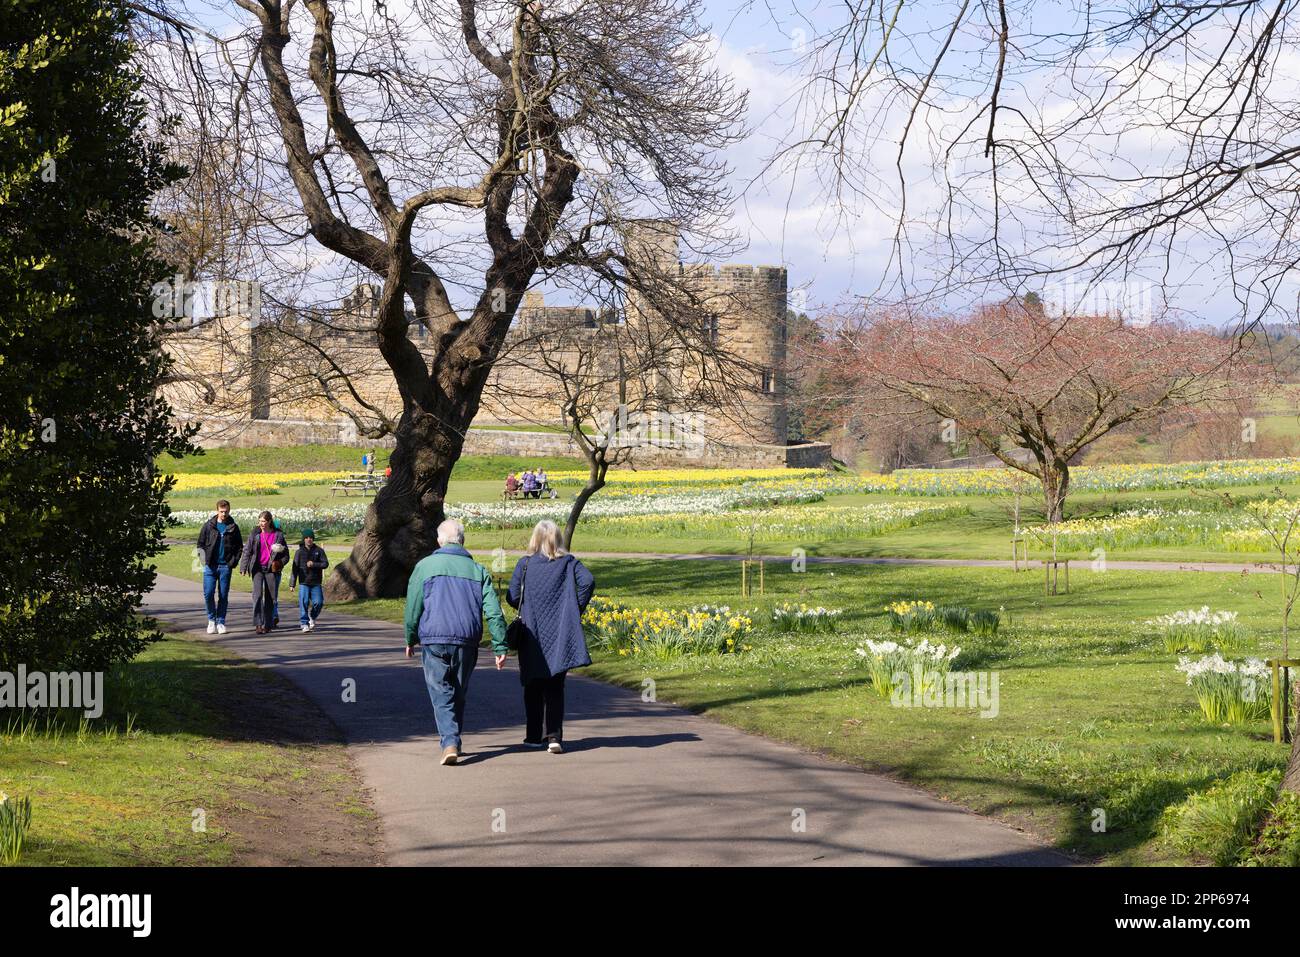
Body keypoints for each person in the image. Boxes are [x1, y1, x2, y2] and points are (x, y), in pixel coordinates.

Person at [404, 519, 508, 766]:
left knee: (440, 689)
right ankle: (453, 738)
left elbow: (413, 606)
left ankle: (450, 740)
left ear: (439, 541)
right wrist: (500, 645)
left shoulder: (425, 566)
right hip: (466, 639)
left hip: (434, 637)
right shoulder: (478, 570)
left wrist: (410, 637)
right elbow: (494, 611)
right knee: (458, 691)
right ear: (462, 541)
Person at [507, 519, 595, 753]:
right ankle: (554, 736)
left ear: (535, 539)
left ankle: (534, 735)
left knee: (532, 685)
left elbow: (512, 595)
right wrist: (574, 607)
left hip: (532, 632)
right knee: (555, 686)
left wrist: (525, 604)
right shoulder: (569, 563)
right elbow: (588, 581)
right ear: (557, 539)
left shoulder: (524, 564)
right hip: (561, 631)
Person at [197, 500, 242, 635]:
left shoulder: (233, 527)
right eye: (221, 511)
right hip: (210, 566)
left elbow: (239, 547)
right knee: (208, 593)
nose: (224, 514)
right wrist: (203, 560)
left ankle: (221, 622)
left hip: (225, 566)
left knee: (223, 595)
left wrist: (233, 562)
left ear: (229, 510)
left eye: (226, 511)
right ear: (217, 511)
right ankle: (211, 620)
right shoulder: (209, 526)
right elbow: (200, 544)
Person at [240, 511, 289, 634]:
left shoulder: (278, 535)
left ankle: (268, 623)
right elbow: (247, 550)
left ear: (269, 521)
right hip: (257, 568)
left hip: (271, 569)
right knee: (257, 596)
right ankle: (258, 624)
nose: (261, 523)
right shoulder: (255, 533)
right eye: (260, 521)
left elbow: (286, 555)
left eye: (264, 521)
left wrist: (280, 563)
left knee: (270, 598)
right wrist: (243, 566)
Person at [291, 528, 330, 632]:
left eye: (311, 538)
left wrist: (314, 564)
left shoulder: (319, 551)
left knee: (319, 602)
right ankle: (304, 623)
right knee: (303, 602)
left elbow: (325, 564)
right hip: (304, 582)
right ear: (304, 539)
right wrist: (292, 583)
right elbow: (294, 569)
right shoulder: (299, 552)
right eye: (307, 538)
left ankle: (312, 616)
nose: (309, 539)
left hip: (316, 582)